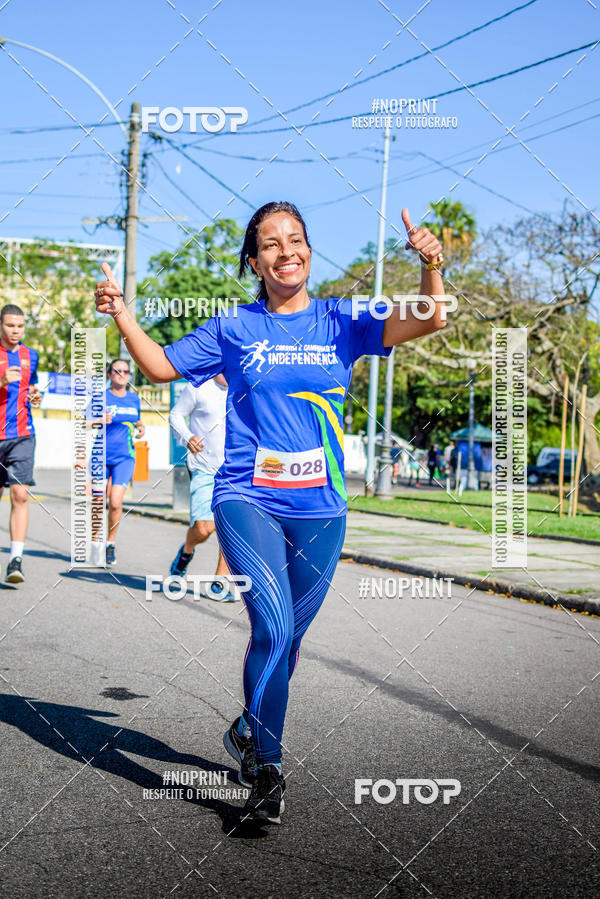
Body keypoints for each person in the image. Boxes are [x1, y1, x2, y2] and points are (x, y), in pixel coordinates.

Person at [94, 200, 446, 825]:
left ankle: (248, 728)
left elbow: (431, 319)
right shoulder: (233, 329)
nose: (288, 252)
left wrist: (431, 266)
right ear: (254, 262)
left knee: (290, 643)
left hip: (322, 510)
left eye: (297, 240)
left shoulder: (343, 320)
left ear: (309, 250)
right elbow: (158, 366)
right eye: (272, 244)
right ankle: (267, 767)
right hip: (246, 496)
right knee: (273, 629)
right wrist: (122, 312)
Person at [169, 375, 237, 602]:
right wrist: (188, 437)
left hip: (236, 470)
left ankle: (219, 583)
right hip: (204, 467)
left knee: (230, 527)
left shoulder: (244, 386)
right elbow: (176, 415)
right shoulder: (198, 387)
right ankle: (186, 551)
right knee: (204, 528)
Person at [0, 304, 42, 584]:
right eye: (10, 326)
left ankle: (16, 559)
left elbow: (33, 388)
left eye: (20, 326)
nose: (16, 331)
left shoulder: (31, 355)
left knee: (20, 496)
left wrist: (36, 397)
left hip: (23, 435)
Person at [89, 359, 144, 567]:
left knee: (115, 502)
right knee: (97, 501)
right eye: (117, 371)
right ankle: (95, 542)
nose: (121, 374)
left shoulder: (134, 399)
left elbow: (136, 421)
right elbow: (83, 422)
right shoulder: (100, 397)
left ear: (129, 375)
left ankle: (110, 543)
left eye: (125, 371)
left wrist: (141, 427)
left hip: (125, 457)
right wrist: (98, 421)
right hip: (100, 456)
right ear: (109, 374)